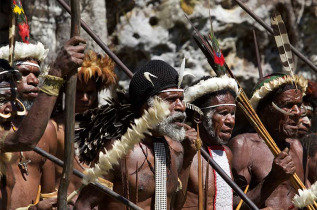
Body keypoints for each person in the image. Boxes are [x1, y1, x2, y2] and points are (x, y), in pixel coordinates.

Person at [74, 60, 197, 209]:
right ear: (146, 107)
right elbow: (83, 204)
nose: (181, 107)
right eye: (171, 99)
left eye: (181, 99)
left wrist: (188, 158)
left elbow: (176, 206)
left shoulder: (176, 150)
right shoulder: (118, 151)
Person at [0, 37, 86, 209]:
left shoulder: (45, 131)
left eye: (37, 75)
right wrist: (57, 72)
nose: (33, 81)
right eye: (24, 74)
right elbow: (23, 140)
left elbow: (48, 195)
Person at [228, 73, 308, 209]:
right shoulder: (244, 145)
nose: (297, 112)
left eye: (299, 105)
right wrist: (272, 179)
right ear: (265, 111)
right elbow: (231, 205)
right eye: (288, 105)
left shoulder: (297, 147)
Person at [51, 50, 116, 203]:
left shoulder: (106, 129)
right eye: (79, 92)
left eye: (90, 92)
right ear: (67, 91)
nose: (85, 98)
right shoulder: (53, 128)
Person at [175, 75, 238, 209]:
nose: (230, 120)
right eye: (223, 113)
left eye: (232, 113)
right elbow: (171, 202)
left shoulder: (226, 154)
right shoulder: (179, 149)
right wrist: (187, 157)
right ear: (198, 117)